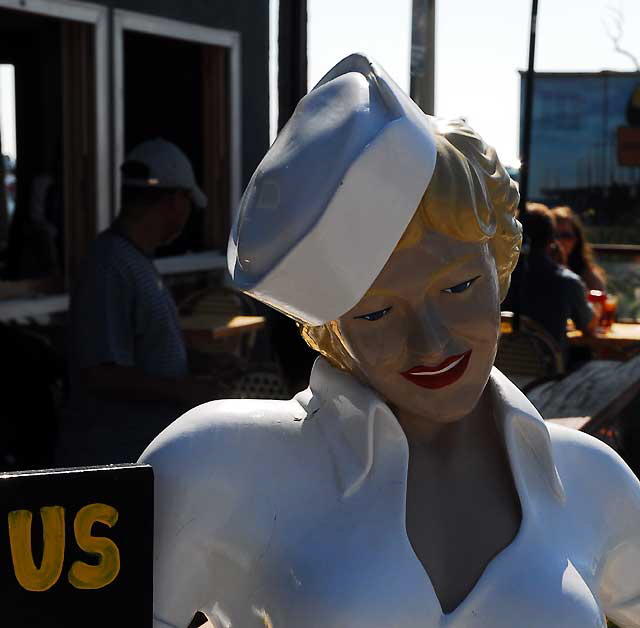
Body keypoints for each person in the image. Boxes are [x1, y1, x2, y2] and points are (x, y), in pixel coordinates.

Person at [140, 55, 640, 628]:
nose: (429, 341)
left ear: (501, 260)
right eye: (376, 312)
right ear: (328, 326)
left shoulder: (590, 479)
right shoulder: (215, 465)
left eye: (459, 285)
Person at [58, 138, 232, 467]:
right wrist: (188, 391)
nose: (186, 216)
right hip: (113, 463)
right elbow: (100, 373)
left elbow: (143, 351)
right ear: (173, 201)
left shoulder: (133, 260)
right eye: (186, 203)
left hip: (139, 458)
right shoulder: (109, 264)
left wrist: (199, 365)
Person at [506, 204, 598, 355]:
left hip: (504, 368)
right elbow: (589, 327)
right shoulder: (567, 281)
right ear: (551, 240)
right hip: (549, 372)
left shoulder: (501, 279)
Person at [552, 205, 606, 292]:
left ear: (576, 240)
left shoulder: (587, 275)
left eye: (566, 236)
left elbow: (601, 299)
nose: (559, 241)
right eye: (555, 235)